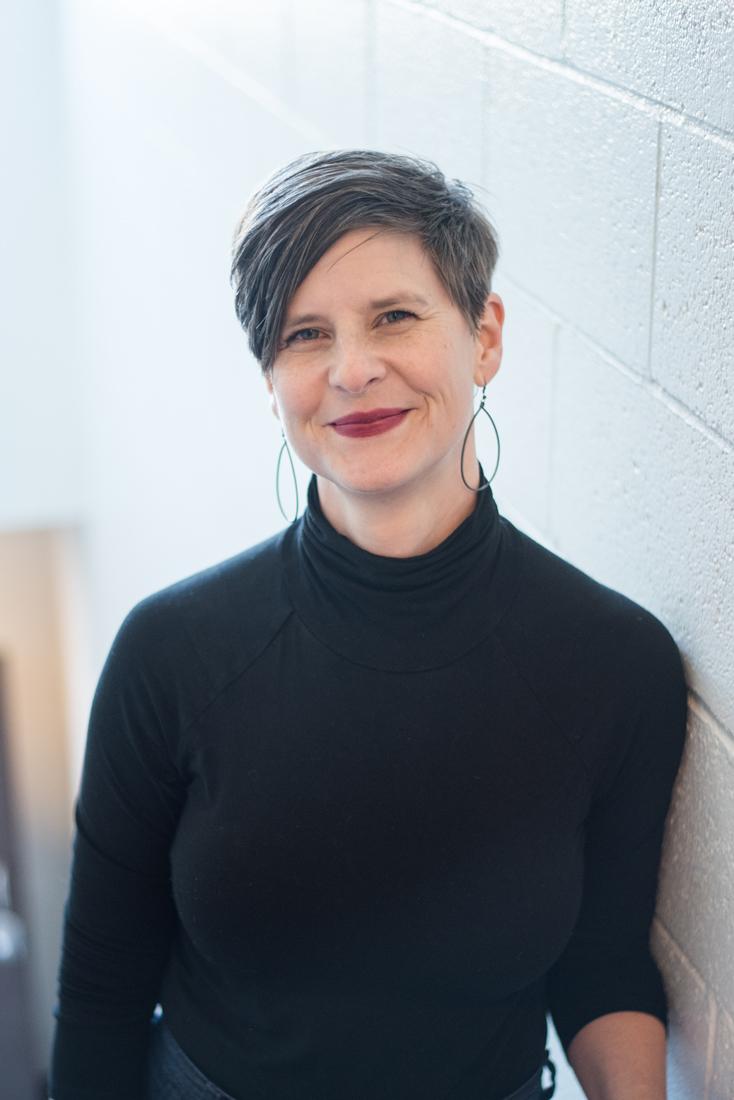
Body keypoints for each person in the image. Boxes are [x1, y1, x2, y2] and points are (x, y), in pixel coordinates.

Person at [49, 149, 688, 1100]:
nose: (352, 370)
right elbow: (101, 994)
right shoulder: (171, 653)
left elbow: (601, 968)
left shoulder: (615, 662)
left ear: (485, 336)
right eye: (305, 335)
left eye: (394, 315)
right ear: (270, 378)